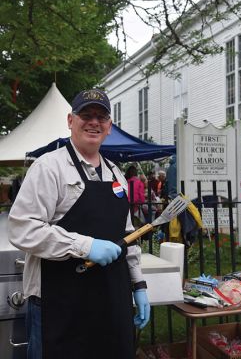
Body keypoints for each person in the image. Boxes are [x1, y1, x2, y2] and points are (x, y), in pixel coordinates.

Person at [8, 88, 150, 359]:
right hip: (58, 304)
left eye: (101, 116)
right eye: (86, 115)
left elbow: (128, 235)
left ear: (109, 126)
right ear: (70, 121)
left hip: (110, 299)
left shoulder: (115, 173)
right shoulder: (48, 167)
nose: (94, 122)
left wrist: (139, 286)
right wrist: (84, 246)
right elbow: (22, 228)